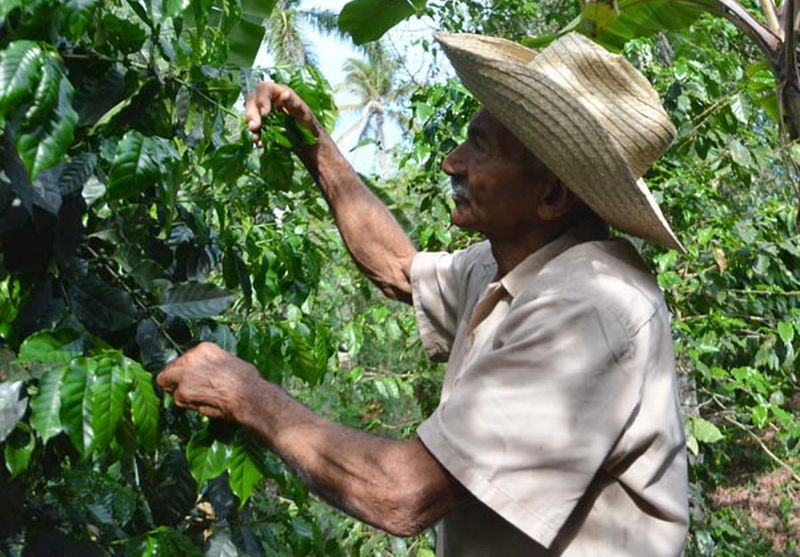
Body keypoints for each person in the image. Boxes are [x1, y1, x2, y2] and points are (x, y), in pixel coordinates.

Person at [157, 32, 689, 556]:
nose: (451, 162)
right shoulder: (514, 263)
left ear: (551, 193)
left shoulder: (588, 307)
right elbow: (397, 269)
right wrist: (311, 140)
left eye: (480, 147)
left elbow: (402, 494)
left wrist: (245, 394)